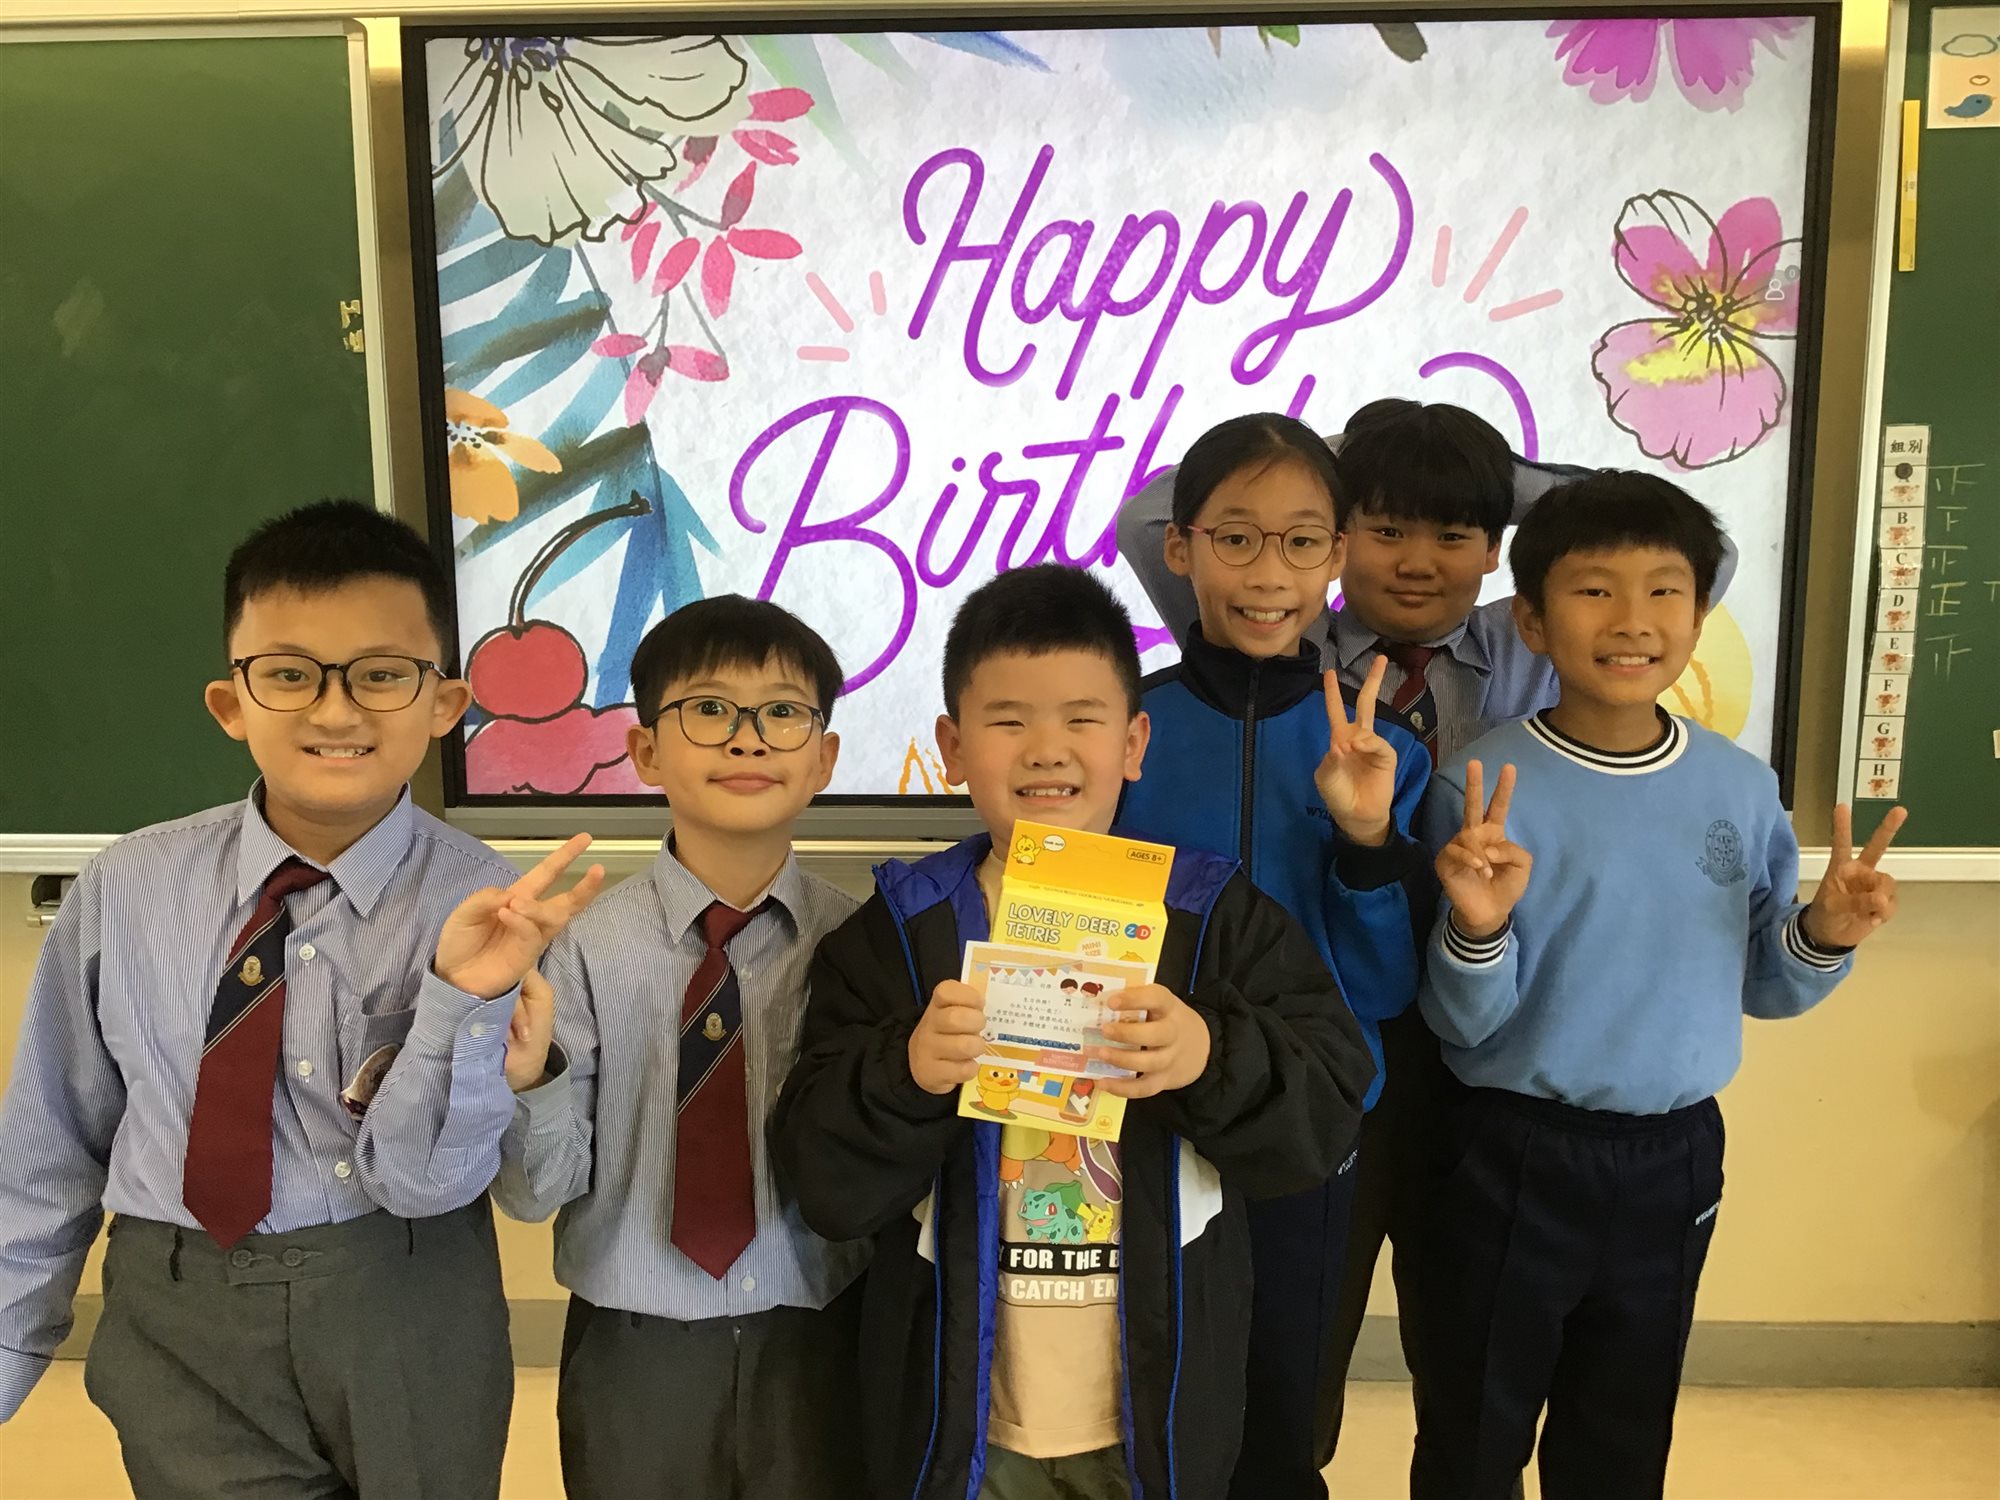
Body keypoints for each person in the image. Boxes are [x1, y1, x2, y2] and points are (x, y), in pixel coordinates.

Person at [0, 499, 602, 1500]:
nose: (335, 711)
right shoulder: (127, 887)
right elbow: (48, 1146)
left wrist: (490, 1037)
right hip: (182, 1316)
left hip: (411, 1303)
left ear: (445, 702)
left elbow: (527, 1185)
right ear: (229, 703)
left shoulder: (502, 906)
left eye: (381, 674)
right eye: (288, 674)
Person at [771, 563, 1374, 1499]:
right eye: (1008, 721)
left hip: (1154, 1413)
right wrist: (907, 1071)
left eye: (1082, 719)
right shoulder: (898, 930)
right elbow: (823, 1184)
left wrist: (1206, 1053)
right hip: (961, 1417)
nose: (1046, 751)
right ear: (951, 746)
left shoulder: (1211, 917)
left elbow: (1328, 1113)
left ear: (1134, 742)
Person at [1410, 472, 1904, 1500]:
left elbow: (1766, 986)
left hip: (1673, 1155)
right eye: (1594, 590)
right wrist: (1478, 927)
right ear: (1532, 622)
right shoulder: (1482, 787)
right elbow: (1461, 1022)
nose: (1632, 620)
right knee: (1474, 1430)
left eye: (1664, 590)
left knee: (1623, 1435)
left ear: (1699, 613)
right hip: (1508, 1150)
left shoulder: (1739, 786)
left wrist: (1823, 932)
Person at [494, 596, 868, 1500]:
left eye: (782, 713)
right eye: (709, 709)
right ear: (646, 750)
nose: (747, 739)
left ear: (823, 757)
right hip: (633, 1349)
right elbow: (533, 1192)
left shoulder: (860, 942)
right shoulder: (582, 945)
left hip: (820, 1336)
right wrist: (530, 1078)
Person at [1117, 412, 1427, 1499]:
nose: (1267, 573)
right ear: (1179, 546)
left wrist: (1364, 838)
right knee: (1144, 1397)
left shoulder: (1382, 751)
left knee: (1284, 1416)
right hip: (1142, 1111)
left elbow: (1383, 987)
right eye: (1235, 537)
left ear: (1336, 555)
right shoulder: (1123, 731)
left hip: (1313, 1126)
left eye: (1300, 541)